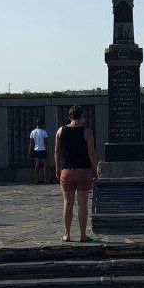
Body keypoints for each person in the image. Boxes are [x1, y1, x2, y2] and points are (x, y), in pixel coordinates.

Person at [54, 104, 98, 242]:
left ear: (70, 116)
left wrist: (57, 168)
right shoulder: (87, 132)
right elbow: (91, 154)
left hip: (66, 171)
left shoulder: (60, 131)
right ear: (82, 116)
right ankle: (83, 235)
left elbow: (56, 152)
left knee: (68, 203)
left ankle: (67, 234)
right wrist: (96, 171)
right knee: (83, 204)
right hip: (84, 171)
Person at [28, 118, 50, 184]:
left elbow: (31, 143)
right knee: (45, 165)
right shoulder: (44, 132)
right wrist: (47, 150)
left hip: (36, 149)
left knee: (37, 164)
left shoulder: (33, 132)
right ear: (42, 124)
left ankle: (37, 179)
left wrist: (30, 151)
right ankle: (46, 180)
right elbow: (46, 142)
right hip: (43, 149)